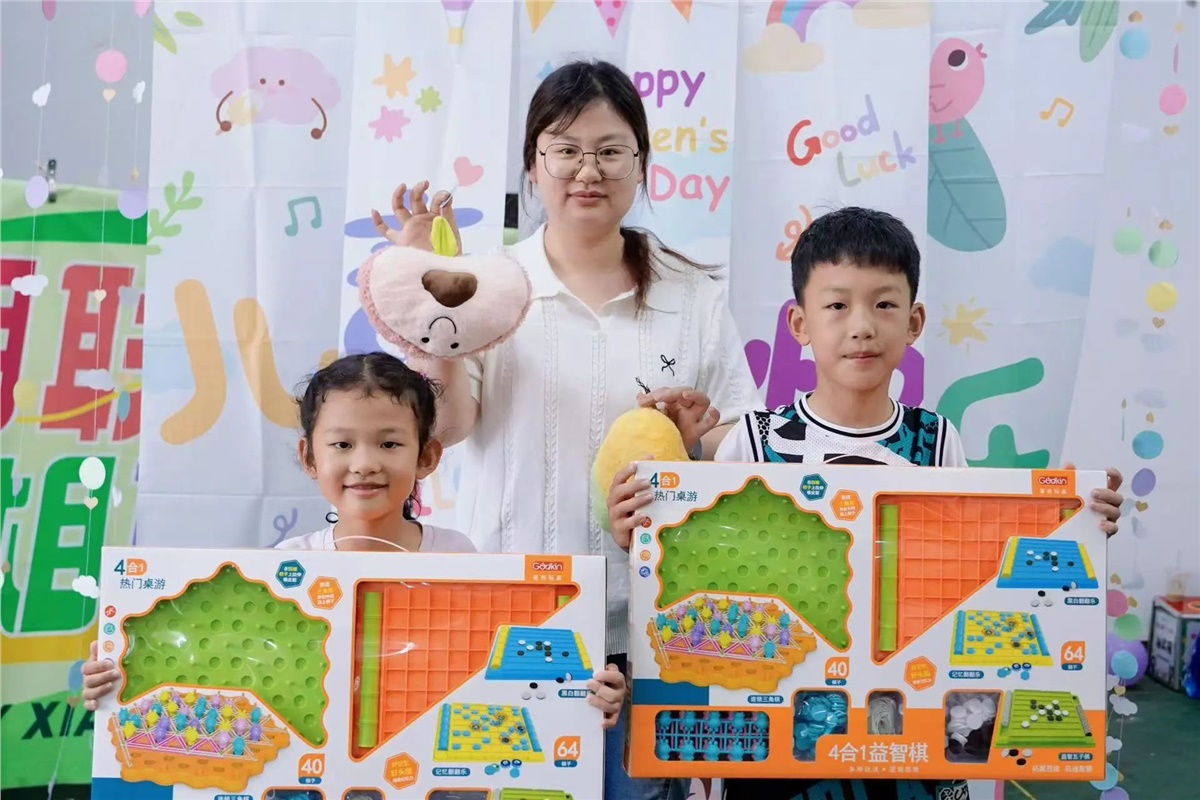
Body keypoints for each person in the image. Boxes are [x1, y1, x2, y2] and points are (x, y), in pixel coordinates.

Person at [607, 207, 1126, 800]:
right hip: (780, 748)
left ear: (914, 321)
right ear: (800, 323)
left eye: (884, 304)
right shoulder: (754, 441)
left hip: (911, 738)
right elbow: (702, 572)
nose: (861, 326)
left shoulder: (936, 440)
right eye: (836, 305)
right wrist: (642, 533)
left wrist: (1076, 526)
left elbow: (975, 566)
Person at [372, 59, 759, 800]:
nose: (589, 170)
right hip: (509, 620)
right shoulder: (489, 285)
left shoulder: (692, 294)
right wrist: (432, 297)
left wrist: (696, 440)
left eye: (611, 150)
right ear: (532, 165)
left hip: (646, 632)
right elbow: (446, 425)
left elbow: (736, 446)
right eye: (566, 150)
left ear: (641, 163)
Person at [82, 353, 627, 735]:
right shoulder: (285, 568)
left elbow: (507, 677)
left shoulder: (460, 558)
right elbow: (227, 671)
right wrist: (126, 668)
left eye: (389, 444)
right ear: (309, 457)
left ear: (427, 457)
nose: (364, 463)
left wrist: (586, 695)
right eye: (342, 444)